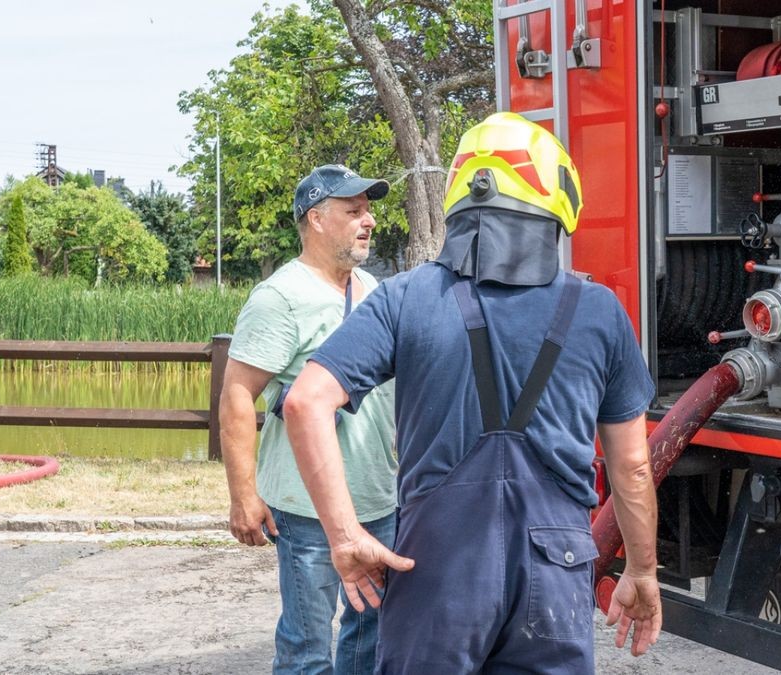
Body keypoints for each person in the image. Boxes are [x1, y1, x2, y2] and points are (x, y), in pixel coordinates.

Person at [282, 113, 661, 673]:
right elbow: (630, 468)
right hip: (554, 573)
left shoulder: (402, 298)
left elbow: (304, 401)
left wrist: (345, 536)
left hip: (434, 567)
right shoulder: (600, 310)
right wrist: (643, 570)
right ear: (556, 197)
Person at [218, 164, 398, 675]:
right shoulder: (279, 298)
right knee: (307, 649)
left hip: (378, 499)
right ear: (316, 219)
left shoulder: (373, 290)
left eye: (368, 211)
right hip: (305, 509)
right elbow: (236, 399)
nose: (368, 221)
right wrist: (244, 496)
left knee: (371, 636)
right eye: (353, 211)